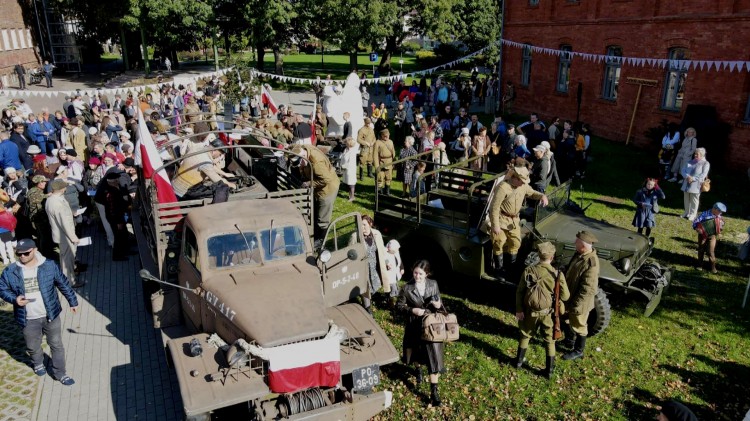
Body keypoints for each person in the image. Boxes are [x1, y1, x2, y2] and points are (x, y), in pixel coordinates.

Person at [0, 238, 78, 385]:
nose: (22, 257)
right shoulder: (11, 271)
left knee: (56, 344)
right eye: (19, 254)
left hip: (50, 315)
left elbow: (62, 283)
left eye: (26, 253)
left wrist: (72, 301)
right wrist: (15, 299)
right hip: (28, 318)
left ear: (35, 250)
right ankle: (37, 363)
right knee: (33, 346)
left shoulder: (49, 266)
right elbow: (2, 288)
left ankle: (60, 373)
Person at [514, 241, 569, 378]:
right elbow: (565, 296)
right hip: (548, 314)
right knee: (550, 341)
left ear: (538, 256)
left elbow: (520, 292)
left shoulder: (529, 270)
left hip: (529, 312)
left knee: (525, 334)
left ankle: (519, 363)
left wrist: (519, 310)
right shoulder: (557, 275)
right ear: (552, 257)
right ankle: (549, 371)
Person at [397, 260, 445, 407]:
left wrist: (438, 305)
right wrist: (412, 310)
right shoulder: (406, 287)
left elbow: (440, 305)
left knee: (434, 357)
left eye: (421, 274)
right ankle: (418, 369)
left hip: (431, 326)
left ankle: (434, 391)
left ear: (427, 274)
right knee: (416, 353)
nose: (417, 276)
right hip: (414, 325)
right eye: (415, 272)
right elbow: (399, 307)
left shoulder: (433, 284)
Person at [488, 166, 548, 280]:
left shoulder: (523, 186)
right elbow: (494, 208)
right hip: (501, 219)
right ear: (515, 178)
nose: (523, 184)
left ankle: (510, 268)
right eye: (521, 181)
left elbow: (532, 193)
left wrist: (542, 196)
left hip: (514, 220)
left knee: (515, 243)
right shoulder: (503, 187)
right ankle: (499, 269)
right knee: (498, 242)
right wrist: (495, 225)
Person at [560, 230, 600, 361]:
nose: (574, 243)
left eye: (576, 242)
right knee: (566, 319)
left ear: (583, 246)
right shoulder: (579, 254)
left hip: (580, 302)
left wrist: (576, 306)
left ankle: (578, 350)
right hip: (570, 296)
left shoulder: (591, 264)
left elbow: (588, 290)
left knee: (580, 325)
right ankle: (569, 341)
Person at [290, 144, 339, 242]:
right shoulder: (303, 149)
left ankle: (320, 241)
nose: (299, 166)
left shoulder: (316, 162)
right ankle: (314, 235)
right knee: (315, 212)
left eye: (300, 163)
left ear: (303, 157)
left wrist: (308, 183)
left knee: (322, 218)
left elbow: (326, 180)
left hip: (327, 190)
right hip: (318, 188)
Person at [45, 179, 83, 288]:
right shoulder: (57, 203)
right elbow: (64, 222)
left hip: (61, 236)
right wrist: (73, 237)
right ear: (62, 189)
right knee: (68, 260)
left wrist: (71, 213)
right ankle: (70, 282)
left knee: (65, 258)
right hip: (65, 237)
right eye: (65, 187)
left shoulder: (52, 199)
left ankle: (67, 280)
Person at [360, 215, 389, 314]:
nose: (362, 227)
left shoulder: (377, 234)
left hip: (375, 266)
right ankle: (367, 308)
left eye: (364, 225)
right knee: (365, 287)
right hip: (363, 267)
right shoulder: (356, 236)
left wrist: (386, 262)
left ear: (370, 224)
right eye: (360, 225)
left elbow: (382, 249)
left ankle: (374, 297)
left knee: (375, 284)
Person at [692, 202, 726, 274]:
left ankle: (713, 267)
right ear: (714, 209)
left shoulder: (719, 216)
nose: (720, 213)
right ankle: (699, 265)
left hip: (712, 236)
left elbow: (722, 223)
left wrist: (721, 225)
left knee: (711, 251)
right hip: (702, 235)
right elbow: (695, 222)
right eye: (719, 211)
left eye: (721, 212)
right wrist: (697, 228)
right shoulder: (704, 214)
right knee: (701, 249)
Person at [680, 147, 710, 221]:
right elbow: (683, 170)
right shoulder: (690, 161)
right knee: (686, 198)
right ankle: (686, 212)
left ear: (702, 155)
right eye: (695, 154)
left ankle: (693, 214)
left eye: (697, 154)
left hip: (696, 184)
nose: (695, 155)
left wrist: (692, 178)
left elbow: (703, 175)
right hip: (687, 182)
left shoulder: (705, 163)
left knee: (694, 199)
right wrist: (687, 177)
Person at [373, 129, 396, 196]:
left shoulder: (391, 142)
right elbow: (375, 155)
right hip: (381, 163)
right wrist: (377, 166)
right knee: (380, 177)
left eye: (387, 136)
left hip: (389, 162)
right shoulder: (377, 142)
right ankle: (379, 193)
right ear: (381, 136)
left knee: (388, 177)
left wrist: (393, 162)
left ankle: (387, 192)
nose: (386, 137)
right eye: (385, 136)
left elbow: (393, 152)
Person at [383, 239, 403, 307]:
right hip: (389, 275)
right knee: (390, 287)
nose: (396, 251)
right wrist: (387, 265)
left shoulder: (396, 252)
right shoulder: (385, 254)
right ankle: (389, 299)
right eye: (394, 251)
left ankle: (395, 296)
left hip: (395, 273)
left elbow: (399, 260)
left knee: (395, 285)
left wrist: (402, 268)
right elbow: (384, 262)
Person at [340, 137, 358, 202]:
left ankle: (352, 196)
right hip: (346, 168)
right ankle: (350, 195)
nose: (345, 143)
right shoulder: (346, 149)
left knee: (351, 183)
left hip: (350, 168)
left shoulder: (352, 151)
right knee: (348, 182)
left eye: (346, 142)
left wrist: (344, 166)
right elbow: (343, 157)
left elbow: (351, 162)